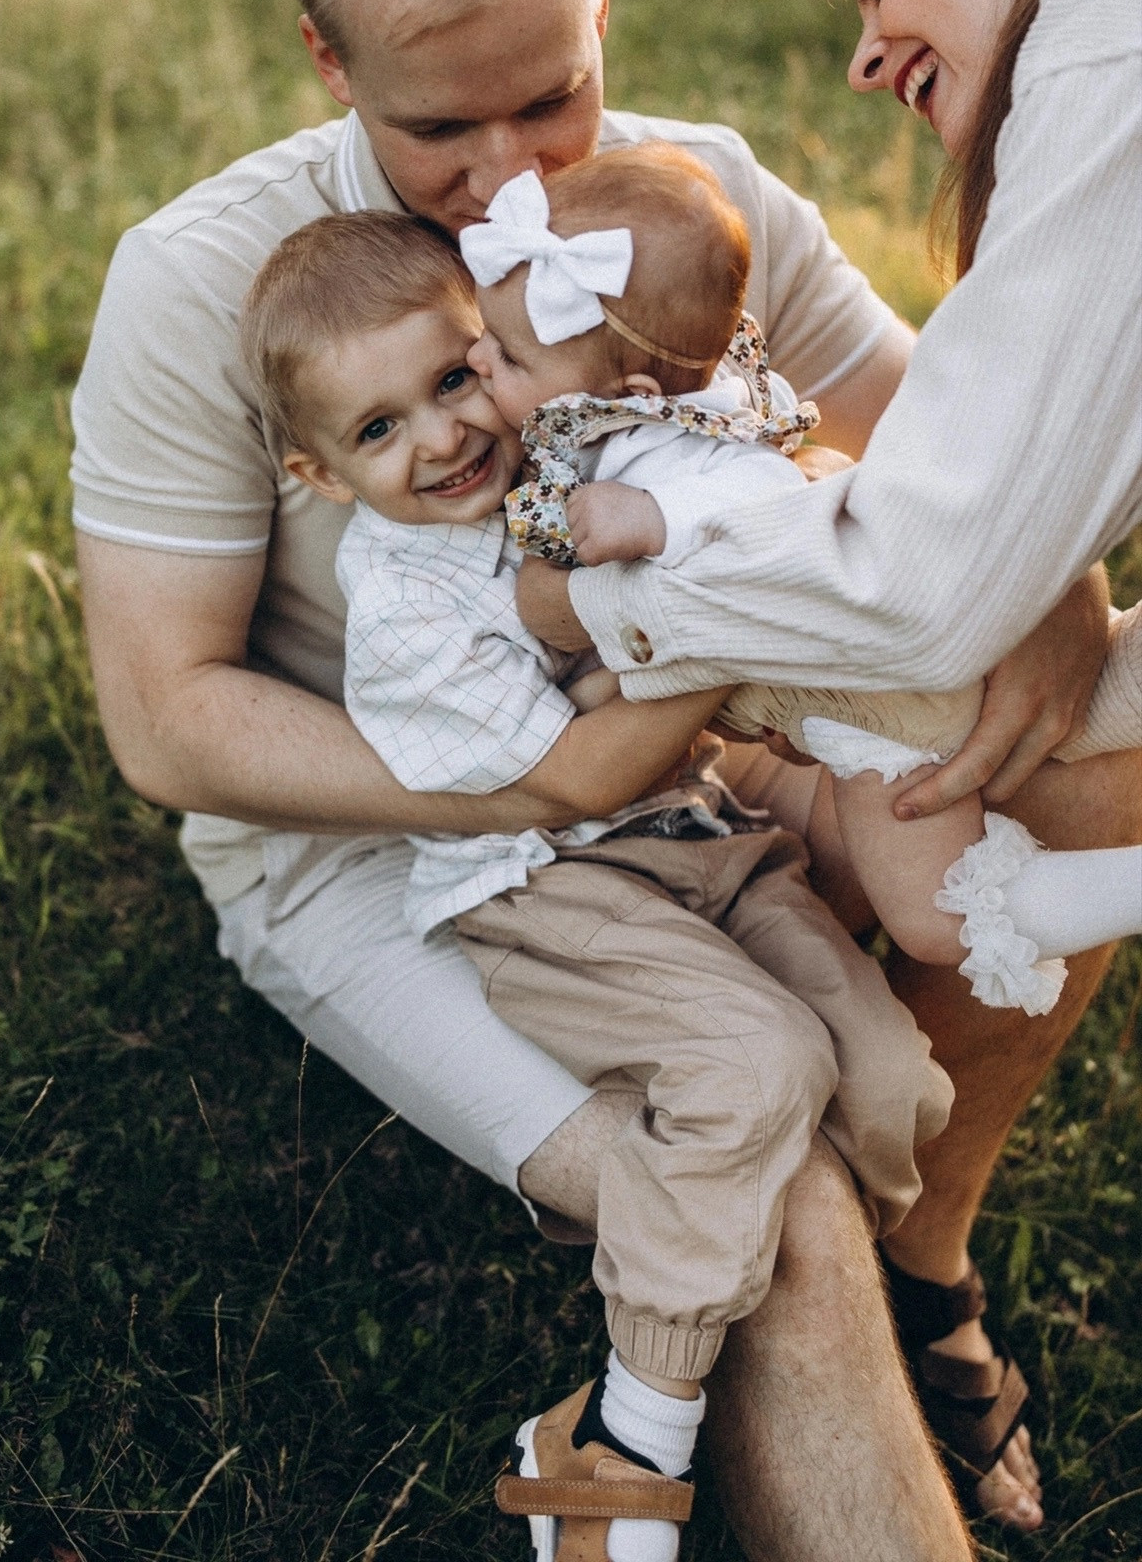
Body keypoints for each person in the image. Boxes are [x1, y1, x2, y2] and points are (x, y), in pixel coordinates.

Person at [68, 0, 1121, 1546]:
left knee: (1087, 747)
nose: (504, 184)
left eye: (553, 100)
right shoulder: (202, 284)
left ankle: (928, 1250)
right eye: (439, 131)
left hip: (702, 780)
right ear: (330, 62)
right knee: (757, 1163)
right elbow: (171, 722)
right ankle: (653, 1433)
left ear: (603, 10)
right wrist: (539, 781)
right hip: (397, 855)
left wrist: (1063, 602)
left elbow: (945, 441)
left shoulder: (687, 202)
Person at [514, 0, 1142, 1526]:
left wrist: (602, 608)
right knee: (1021, 732)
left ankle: (920, 1243)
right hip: (628, 825)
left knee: (1040, 722)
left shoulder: (1119, 17)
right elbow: (991, 449)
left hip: (755, 712)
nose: (863, 57)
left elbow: (929, 572)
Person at [238, 205, 952, 1561]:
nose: (442, 437)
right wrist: (715, 619)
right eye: (379, 431)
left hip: (695, 832)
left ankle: (812, 1270)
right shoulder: (401, 602)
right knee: (760, 1066)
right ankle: (626, 1433)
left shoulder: (551, 462)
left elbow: (731, 494)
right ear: (319, 474)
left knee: (889, 1077)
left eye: (453, 380)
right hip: (542, 880)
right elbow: (570, 775)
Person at [458, 144, 1142, 1015]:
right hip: (900, 654)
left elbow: (768, 501)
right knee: (1091, 703)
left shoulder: (660, 452)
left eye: (509, 357)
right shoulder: (659, 414)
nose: (482, 361)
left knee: (943, 919)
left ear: (628, 390)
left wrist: (656, 524)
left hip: (874, 704)